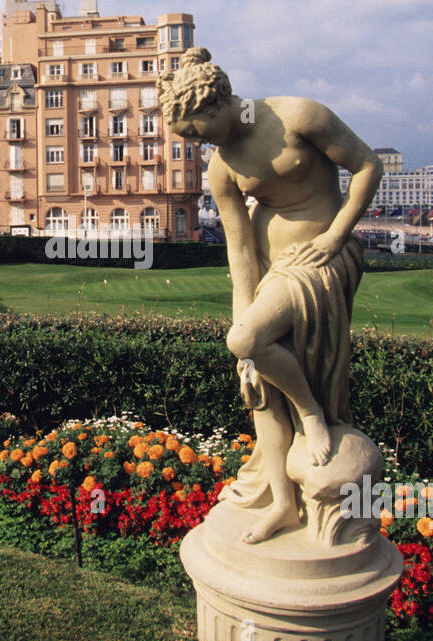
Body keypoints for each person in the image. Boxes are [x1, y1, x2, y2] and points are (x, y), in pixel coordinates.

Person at [159, 47, 382, 544]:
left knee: (248, 343)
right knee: (257, 378)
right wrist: (244, 330)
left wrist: (335, 235)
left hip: (321, 260)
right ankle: (283, 502)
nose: (196, 145)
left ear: (217, 104)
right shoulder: (222, 169)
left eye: (195, 131)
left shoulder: (300, 116)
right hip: (271, 271)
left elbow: (367, 166)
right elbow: (239, 256)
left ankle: (311, 413)